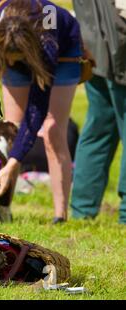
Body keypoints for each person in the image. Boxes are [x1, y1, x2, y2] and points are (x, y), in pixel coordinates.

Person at [0, 0, 83, 224]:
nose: (10, 62)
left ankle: (60, 215)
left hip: (63, 52)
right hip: (16, 43)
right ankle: (2, 209)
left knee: (52, 130)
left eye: (15, 59)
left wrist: (11, 164)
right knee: (11, 127)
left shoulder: (47, 44)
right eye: (7, 58)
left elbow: (34, 115)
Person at [71, 0, 126, 225]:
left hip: (92, 46)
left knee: (98, 128)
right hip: (118, 46)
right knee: (99, 127)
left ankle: (82, 210)